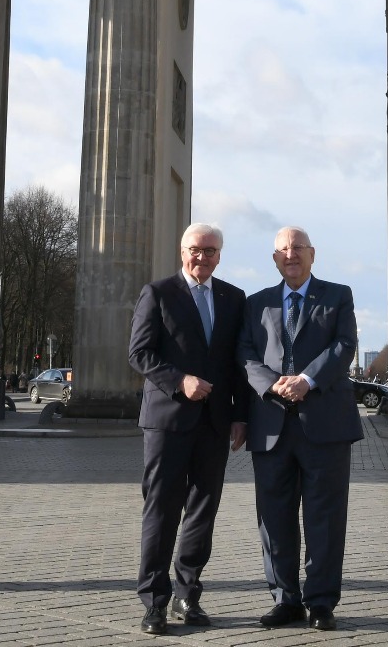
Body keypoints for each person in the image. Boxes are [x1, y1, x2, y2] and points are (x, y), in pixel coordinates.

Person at [238, 226, 363, 632]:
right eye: (283, 249)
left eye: (298, 248)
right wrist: (270, 384)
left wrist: (307, 379)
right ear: (274, 259)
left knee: (325, 517)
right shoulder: (255, 303)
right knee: (273, 517)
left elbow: (344, 345)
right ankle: (285, 599)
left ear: (313, 255)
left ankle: (322, 602)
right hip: (271, 423)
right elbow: (245, 353)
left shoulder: (337, 295)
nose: (291, 254)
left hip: (324, 423)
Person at [127, 222, 248, 636]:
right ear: (182, 251)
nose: (203, 257)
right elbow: (139, 352)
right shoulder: (158, 293)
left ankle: (187, 595)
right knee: (161, 510)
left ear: (220, 255)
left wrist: (240, 415)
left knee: (202, 512)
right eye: (196, 250)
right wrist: (181, 381)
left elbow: (238, 364)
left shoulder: (234, 298)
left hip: (215, 424)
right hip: (167, 421)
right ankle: (155, 602)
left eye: (211, 251)